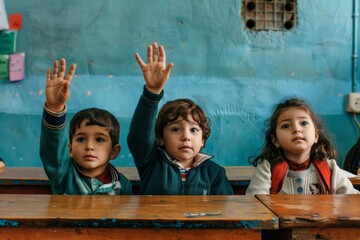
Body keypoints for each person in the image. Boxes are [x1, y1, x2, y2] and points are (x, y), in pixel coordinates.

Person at [127, 42, 233, 195]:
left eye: (194, 130)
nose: (186, 137)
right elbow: (139, 137)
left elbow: (226, 211)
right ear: (161, 139)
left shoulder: (214, 173)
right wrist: (152, 92)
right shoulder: (151, 163)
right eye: (176, 129)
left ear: (203, 139)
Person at [40, 58, 132, 195]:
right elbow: (53, 148)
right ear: (70, 149)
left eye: (99, 140)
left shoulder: (122, 185)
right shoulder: (63, 176)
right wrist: (55, 108)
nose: (89, 146)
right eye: (81, 139)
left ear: (114, 151)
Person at [246, 98, 359, 195]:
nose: (297, 129)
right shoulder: (268, 169)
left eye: (304, 123)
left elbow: (352, 202)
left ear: (315, 136)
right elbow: (255, 206)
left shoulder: (330, 168)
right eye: (286, 126)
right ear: (275, 140)